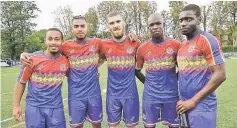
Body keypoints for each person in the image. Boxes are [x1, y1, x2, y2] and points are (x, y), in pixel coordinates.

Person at [20, 15, 137, 128]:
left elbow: (113, 45)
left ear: (87, 27)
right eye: (76, 26)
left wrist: (129, 36)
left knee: (96, 124)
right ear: (72, 29)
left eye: (82, 26)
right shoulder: (64, 46)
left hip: (94, 94)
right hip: (75, 96)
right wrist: (25, 54)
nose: (79, 29)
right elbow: (48, 51)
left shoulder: (97, 42)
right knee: (77, 125)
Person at [176, 4, 226, 128]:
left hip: (202, 106)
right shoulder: (182, 46)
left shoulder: (207, 40)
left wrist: (193, 101)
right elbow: (182, 73)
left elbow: (220, 74)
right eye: (181, 20)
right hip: (184, 105)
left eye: (188, 19)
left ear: (199, 19)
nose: (183, 23)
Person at [12, 28, 70, 128]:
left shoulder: (66, 60)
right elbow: (21, 82)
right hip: (34, 108)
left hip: (56, 108)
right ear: (45, 41)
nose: (53, 42)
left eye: (57, 39)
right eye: (50, 39)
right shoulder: (32, 59)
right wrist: (16, 106)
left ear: (62, 42)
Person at [135, 13, 180, 128]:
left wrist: (174, 79)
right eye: (151, 25)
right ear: (148, 28)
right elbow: (137, 70)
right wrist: (147, 82)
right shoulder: (142, 48)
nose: (155, 27)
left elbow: (183, 69)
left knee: (175, 126)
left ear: (163, 24)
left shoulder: (176, 45)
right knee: (149, 125)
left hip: (171, 95)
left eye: (158, 23)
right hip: (150, 96)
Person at [99, 11, 140, 128]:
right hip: (112, 95)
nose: (115, 25)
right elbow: (98, 60)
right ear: (108, 26)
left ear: (124, 23)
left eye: (118, 21)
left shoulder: (135, 42)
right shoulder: (103, 44)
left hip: (130, 94)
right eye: (112, 23)